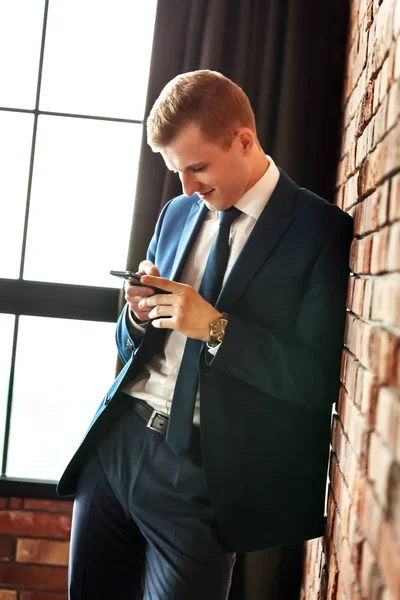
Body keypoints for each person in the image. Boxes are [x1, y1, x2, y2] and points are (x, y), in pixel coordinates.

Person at [58, 70, 353, 599]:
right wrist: (137, 316)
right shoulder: (177, 213)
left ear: (243, 140)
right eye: (176, 172)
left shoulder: (319, 231)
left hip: (201, 477)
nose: (188, 188)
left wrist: (214, 328)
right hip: (117, 448)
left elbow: (314, 380)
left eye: (197, 167)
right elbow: (132, 346)